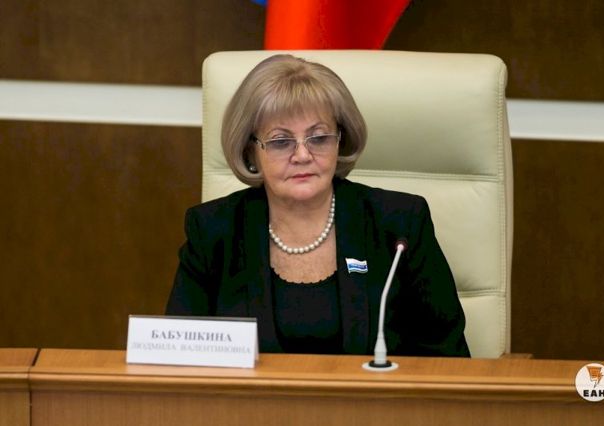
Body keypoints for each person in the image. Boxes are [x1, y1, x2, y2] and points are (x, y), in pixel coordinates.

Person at [166, 54, 470, 357]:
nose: (302, 156)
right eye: (281, 141)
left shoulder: (400, 225)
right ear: (250, 150)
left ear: (340, 141)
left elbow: (448, 359)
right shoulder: (213, 231)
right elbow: (178, 359)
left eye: (319, 138)